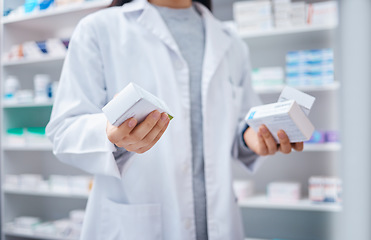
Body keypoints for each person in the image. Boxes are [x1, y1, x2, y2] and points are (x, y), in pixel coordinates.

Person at [46, 0, 303, 239]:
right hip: (139, 225)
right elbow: (63, 130)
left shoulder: (231, 42)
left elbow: (241, 123)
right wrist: (111, 135)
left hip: (218, 223)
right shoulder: (99, 29)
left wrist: (253, 138)